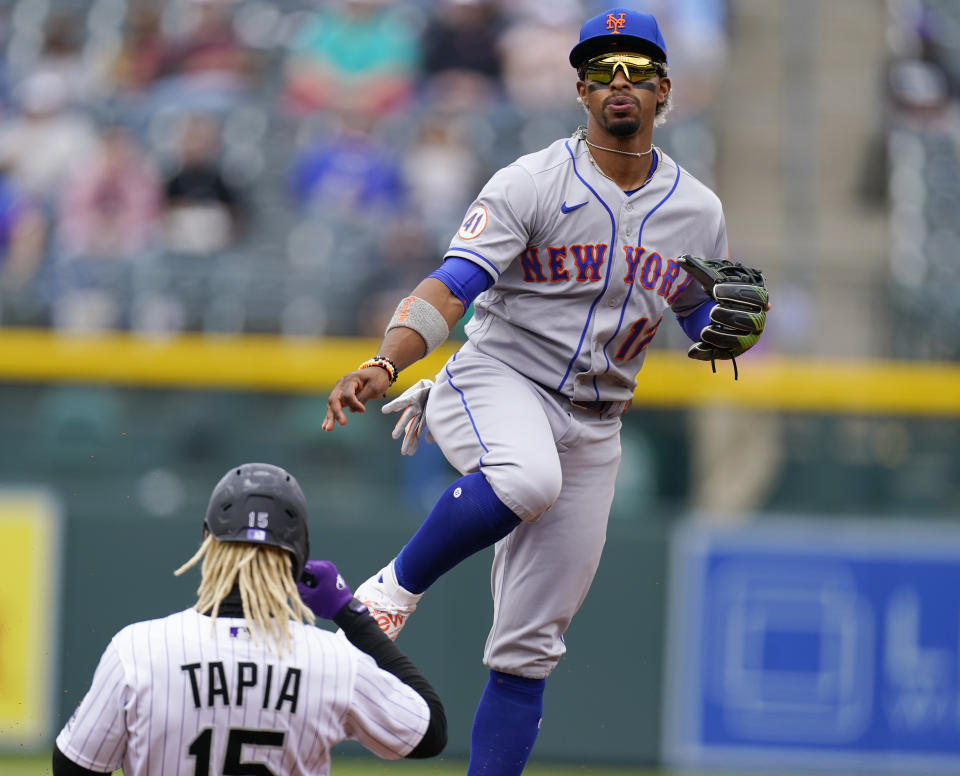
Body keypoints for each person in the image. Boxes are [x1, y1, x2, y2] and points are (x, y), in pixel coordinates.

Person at [322, 8, 767, 775]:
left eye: (635, 69)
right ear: (579, 90)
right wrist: (387, 362)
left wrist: (726, 334)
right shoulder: (532, 181)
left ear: (666, 90)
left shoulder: (699, 210)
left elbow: (700, 318)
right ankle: (392, 589)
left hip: (598, 424)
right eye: (602, 68)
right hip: (498, 378)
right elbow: (453, 284)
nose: (618, 81)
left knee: (530, 649)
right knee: (526, 477)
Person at [53, 462, 446, 776]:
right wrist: (350, 612)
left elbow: (74, 767)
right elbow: (430, 733)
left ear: (207, 539)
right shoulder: (334, 661)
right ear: (299, 555)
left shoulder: (137, 650)